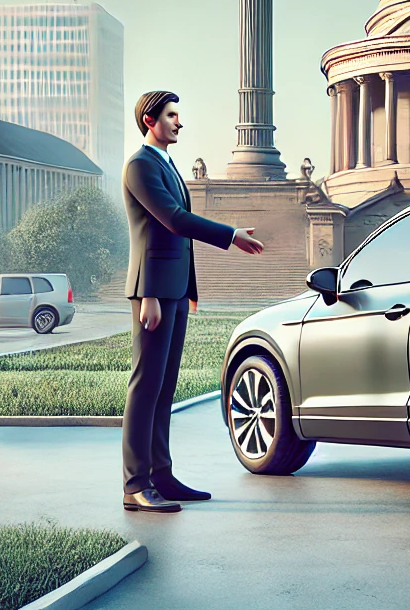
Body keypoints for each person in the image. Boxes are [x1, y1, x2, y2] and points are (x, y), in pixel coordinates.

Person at [121, 90, 264, 512]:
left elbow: (172, 236)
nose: (178, 123)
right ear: (150, 120)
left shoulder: (166, 165)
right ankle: (134, 485)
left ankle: (160, 476)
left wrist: (190, 291)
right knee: (145, 387)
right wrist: (230, 234)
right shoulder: (139, 166)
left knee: (164, 389)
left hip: (176, 289)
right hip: (154, 293)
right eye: (171, 116)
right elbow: (169, 222)